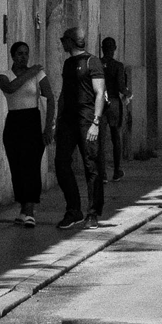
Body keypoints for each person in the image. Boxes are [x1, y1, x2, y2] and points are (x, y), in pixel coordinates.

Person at [54, 26, 107, 229]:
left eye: (63, 40)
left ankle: (93, 213)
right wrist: (57, 121)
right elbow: (63, 93)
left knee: (91, 165)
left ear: (71, 41)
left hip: (87, 120)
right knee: (61, 163)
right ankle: (73, 210)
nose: (62, 43)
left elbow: (100, 92)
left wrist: (96, 122)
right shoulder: (68, 64)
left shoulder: (92, 62)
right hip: (68, 121)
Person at [0, 41, 53, 227]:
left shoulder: (39, 75)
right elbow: (10, 88)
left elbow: (50, 98)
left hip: (33, 121)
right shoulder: (4, 75)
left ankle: (29, 210)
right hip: (14, 122)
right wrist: (30, 72)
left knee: (31, 166)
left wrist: (48, 127)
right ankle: (22, 209)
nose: (24, 57)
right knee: (17, 166)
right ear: (13, 56)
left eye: (26, 53)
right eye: (20, 53)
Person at [101, 37, 130, 181]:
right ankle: (117, 170)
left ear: (102, 48)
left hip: (100, 103)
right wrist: (128, 93)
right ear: (115, 49)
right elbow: (121, 87)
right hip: (113, 102)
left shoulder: (96, 64)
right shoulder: (118, 66)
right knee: (115, 138)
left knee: (100, 141)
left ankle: (102, 174)